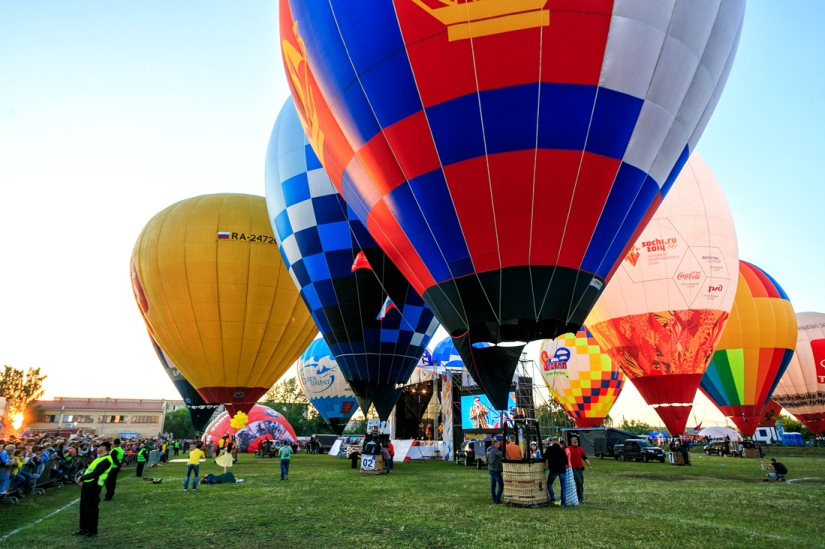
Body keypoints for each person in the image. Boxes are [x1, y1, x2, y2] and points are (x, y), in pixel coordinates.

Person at [75, 442, 113, 539]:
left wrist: (82, 478)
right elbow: (90, 471)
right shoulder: (99, 458)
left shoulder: (107, 460)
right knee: (83, 507)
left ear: (104, 447)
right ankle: (84, 528)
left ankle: (92, 530)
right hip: (88, 485)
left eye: (99, 446)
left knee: (91, 508)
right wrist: (83, 479)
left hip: (94, 486)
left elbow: (96, 473)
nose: (97, 448)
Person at [567, 437, 592, 503]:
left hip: (580, 468)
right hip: (573, 468)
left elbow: (584, 458)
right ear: (571, 442)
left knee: (581, 482)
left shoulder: (580, 449)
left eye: (577, 442)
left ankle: (579, 495)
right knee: (579, 481)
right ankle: (580, 497)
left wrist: (589, 465)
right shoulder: (569, 449)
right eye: (574, 442)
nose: (576, 443)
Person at [545, 437, 568, 505]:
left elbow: (545, 457)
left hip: (553, 470)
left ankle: (552, 498)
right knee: (563, 486)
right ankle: (563, 502)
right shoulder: (562, 450)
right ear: (558, 442)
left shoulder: (549, 449)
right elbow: (566, 462)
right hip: (562, 470)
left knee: (549, 483)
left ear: (552, 442)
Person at [486, 439, 504, 504]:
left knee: (493, 485)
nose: (499, 445)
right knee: (501, 485)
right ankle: (497, 499)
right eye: (498, 444)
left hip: (490, 469)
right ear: (494, 444)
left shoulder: (488, 450)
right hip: (496, 470)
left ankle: (494, 499)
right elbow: (502, 454)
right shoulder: (494, 451)